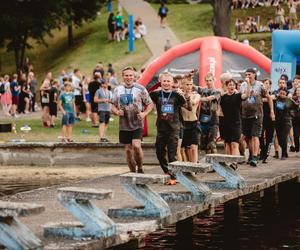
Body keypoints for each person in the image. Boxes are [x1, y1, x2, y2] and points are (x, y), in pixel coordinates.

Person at [111, 66, 153, 173]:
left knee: (136, 145)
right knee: (128, 150)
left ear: (134, 76)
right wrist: (117, 112)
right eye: (126, 75)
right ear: (123, 76)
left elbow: (150, 104)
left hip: (137, 122)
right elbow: (112, 106)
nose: (129, 77)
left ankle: (140, 167)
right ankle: (132, 173)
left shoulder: (140, 89)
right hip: (124, 124)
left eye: (131, 75)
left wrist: (144, 113)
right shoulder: (118, 89)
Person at [150, 72, 186, 185]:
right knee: (159, 152)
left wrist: (182, 93)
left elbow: (185, 105)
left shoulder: (177, 96)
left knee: (172, 153)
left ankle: (174, 176)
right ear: (161, 82)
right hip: (161, 128)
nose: (166, 83)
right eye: (164, 81)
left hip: (173, 128)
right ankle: (167, 171)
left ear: (172, 83)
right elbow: (145, 97)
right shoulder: (155, 95)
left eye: (168, 81)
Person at [240, 68, 275, 167]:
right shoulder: (243, 85)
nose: (247, 76)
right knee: (247, 137)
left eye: (249, 74)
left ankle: (255, 157)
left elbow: (268, 97)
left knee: (255, 136)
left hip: (257, 114)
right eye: (246, 74)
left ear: (254, 75)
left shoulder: (260, 85)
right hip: (245, 115)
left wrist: (272, 111)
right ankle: (251, 154)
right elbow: (243, 97)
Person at [220, 79, 249, 157]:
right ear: (226, 86)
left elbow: (246, 96)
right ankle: (228, 163)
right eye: (230, 85)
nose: (232, 86)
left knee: (234, 144)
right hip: (225, 124)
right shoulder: (223, 97)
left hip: (236, 123)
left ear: (235, 86)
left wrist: (248, 84)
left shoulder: (238, 95)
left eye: (233, 85)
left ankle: (234, 163)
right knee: (228, 144)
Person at [197, 73, 221, 154]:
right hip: (203, 119)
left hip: (213, 120)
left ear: (213, 80)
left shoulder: (217, 91)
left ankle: (215, 163)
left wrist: (198, 99)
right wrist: (190, 76)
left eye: (210, 80)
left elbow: (209, 98)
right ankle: (208, 162)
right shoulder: (203, 90)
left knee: (212, 143)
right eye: (207, 80)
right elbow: (192, 86)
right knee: (205, 144)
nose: (208, 82)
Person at [273, 88, 299, 159]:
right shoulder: (276, 99)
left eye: (284, 94)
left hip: (286, 121)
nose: (282, 95)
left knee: (284, 137)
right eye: (281, 93)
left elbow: (296, 106)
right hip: (278, 122)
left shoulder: (288, 100)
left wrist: (293, 114)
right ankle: (285, 151)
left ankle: (283, 154)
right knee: (279, 138)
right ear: (279, 93)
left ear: (286, 94)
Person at [181, 76, 200, 163]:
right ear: (183, 85)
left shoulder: (196, 95)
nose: (189, 86)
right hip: (184, 123)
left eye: (190, 84)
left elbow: (194, 103)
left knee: (194, 147)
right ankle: (188, 165)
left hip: (194, 123)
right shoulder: (179, 95)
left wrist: (188, 97)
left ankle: (195, 166)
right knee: (185, 148)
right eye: (187, 85)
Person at [259, 78, 275, 163]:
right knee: (260, 135)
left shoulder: (273, 94)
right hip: (261, 118)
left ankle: (265, 155)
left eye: (267, 83)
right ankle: (262, 150)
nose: (266, 85)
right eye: (264, 83)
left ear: (270, 85)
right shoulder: (260, 94)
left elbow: (272, 97)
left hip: (270, 118)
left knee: (269, 137)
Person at [292, 85, 300, 152]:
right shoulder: (293, 99)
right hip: (295, 119)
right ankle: (297, 147)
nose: (298, 92)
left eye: (299, 90)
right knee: (296, 134)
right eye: (297, 90)